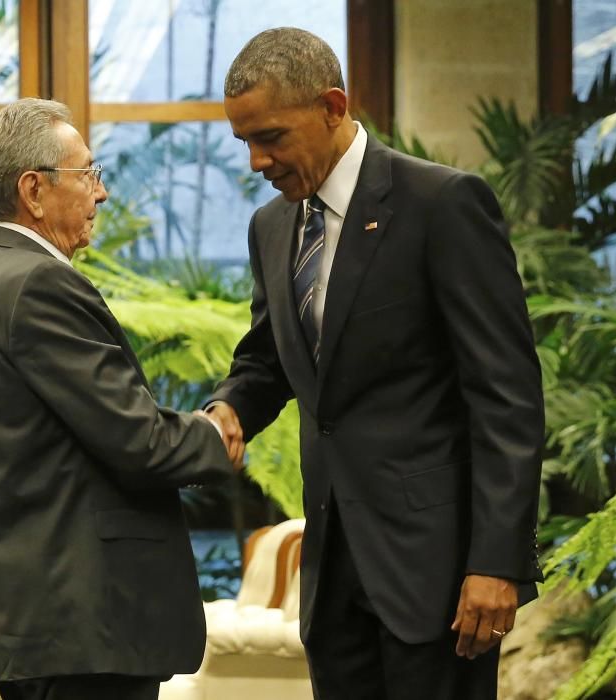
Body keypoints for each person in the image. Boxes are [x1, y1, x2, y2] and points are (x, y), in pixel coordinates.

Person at [205, 28, 545, 699]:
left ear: (332, 106)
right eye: (242, 140)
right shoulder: (271, 228)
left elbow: (505, 398)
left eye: (269, 137)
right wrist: (228, 408)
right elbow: (270, 360)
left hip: (438, 577)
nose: (254, 161)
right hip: (332, 576)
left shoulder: (441, 204)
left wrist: (496, 563)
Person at [0, 98, 234, 700]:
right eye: (88, 174)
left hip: (42, 622)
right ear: (34, 191)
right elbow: (138, 439)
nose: (100, 194)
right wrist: (215, 434)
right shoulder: (37, 283)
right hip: (83, 626)